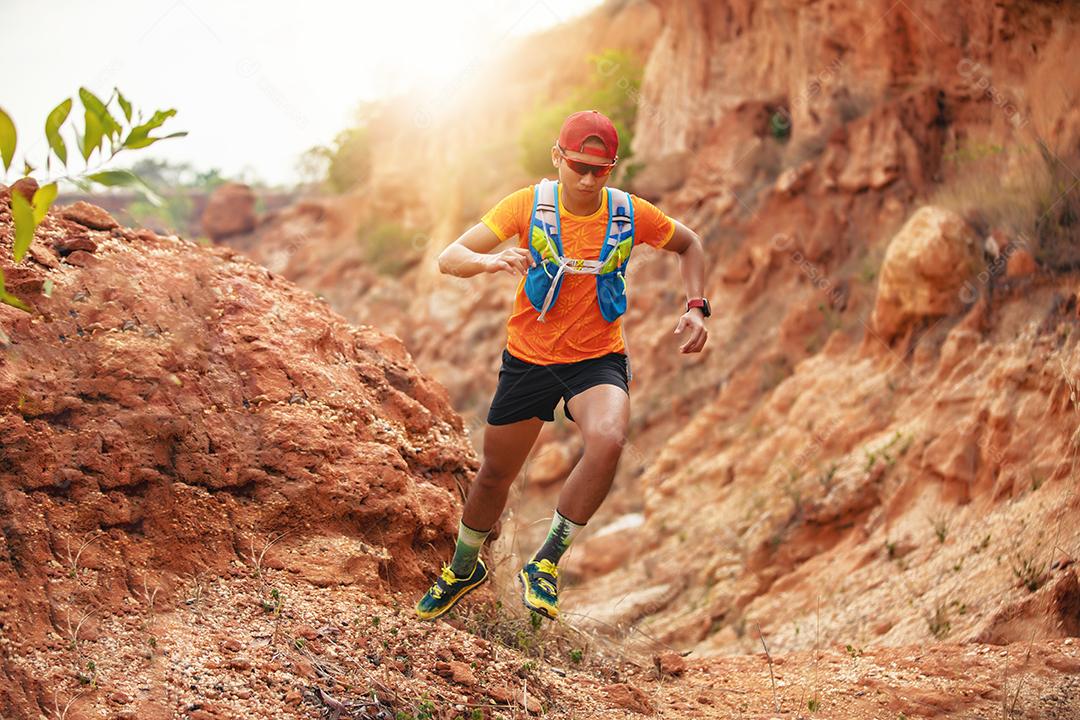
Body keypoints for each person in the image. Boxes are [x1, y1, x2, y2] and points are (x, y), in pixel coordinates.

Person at [415, 110, 709, 621]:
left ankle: (546, 561)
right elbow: (449, 256)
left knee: (610, 439)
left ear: (612, 168)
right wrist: (489, 261)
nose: (588, 178)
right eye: (578, 166)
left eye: (600, 169)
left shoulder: (629, 213)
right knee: (493, 477)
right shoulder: (528, 205)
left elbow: (690, 244)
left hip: (597, 359)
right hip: (529, 359)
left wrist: (696, 306)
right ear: (558, 157)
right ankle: (465, 567)